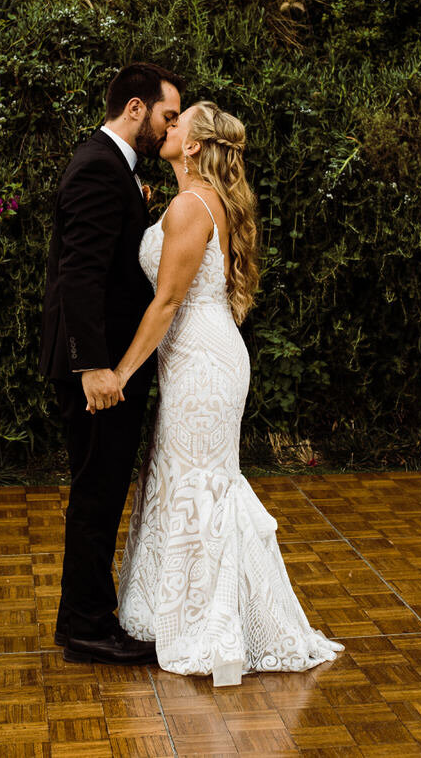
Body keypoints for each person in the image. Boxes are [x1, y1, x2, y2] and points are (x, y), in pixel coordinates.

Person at [112, 101, 342, 686]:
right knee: (190, 482)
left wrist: (120, 373)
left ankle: (210, 623)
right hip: (199, 358)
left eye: (178, 121)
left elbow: (166, 303)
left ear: (192, 145)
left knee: (201, 487)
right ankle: (187, 610)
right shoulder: (195, 201)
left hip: (202, 364)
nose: (168, 126)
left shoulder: (192, 205)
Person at [40, 62, 183, 665]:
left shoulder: (114, 170)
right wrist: (94, 367)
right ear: (135, 108)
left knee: (98, 490)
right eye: (167, 115)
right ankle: (90, 628)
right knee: (98, 493)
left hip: (108, 367)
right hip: (100, 373)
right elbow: (79, 275)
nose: (170, 126)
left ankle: (81, 619)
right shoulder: (101, 167)